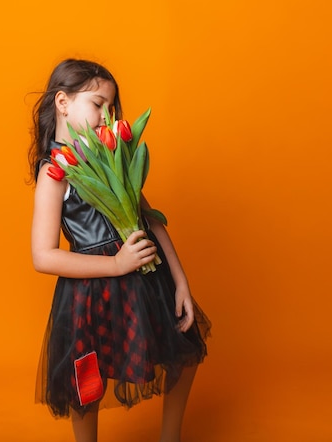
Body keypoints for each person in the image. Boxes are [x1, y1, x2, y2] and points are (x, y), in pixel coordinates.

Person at [29, 58, 211, 442]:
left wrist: (180, 280)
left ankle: (170, 437)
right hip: (93, 287)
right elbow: (42, 255)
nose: (105, 115)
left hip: (146, 276)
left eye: (111, 107)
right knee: (87, 379)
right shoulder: (54, 171)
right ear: (63, 102)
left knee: (183, 348)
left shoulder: (114, 155)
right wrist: (115, 264)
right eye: (97, 104)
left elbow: (150, 220)